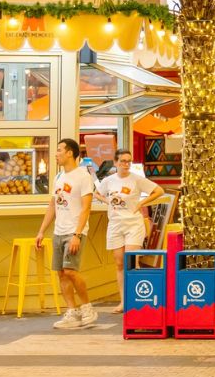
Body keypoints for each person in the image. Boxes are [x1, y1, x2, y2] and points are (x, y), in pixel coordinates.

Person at [35, 139, 98, 329]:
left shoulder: (83, 177)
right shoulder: (58, 177)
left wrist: (77, 234)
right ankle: (72, 312)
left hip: (74, 231)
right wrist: (41, 231)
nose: (56, 154)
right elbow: (52, 206)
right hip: (58, 231)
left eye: (59, 150)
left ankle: (87, 308)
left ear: (70, 153)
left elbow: (86, 208)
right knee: (61, 273)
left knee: (71, 271)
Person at [94, 148, 164, 313]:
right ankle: (123, 301)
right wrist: (107, 201)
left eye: (129, 161)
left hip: (133, 224)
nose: (126, 164)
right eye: (123, 161)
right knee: (119, 263)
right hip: (115, 224)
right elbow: (97, 193)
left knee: (131, 261)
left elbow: (158, 191)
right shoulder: (109, 180)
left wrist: (141, 203)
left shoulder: (137, 179)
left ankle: (136, 298)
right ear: (116, 162)